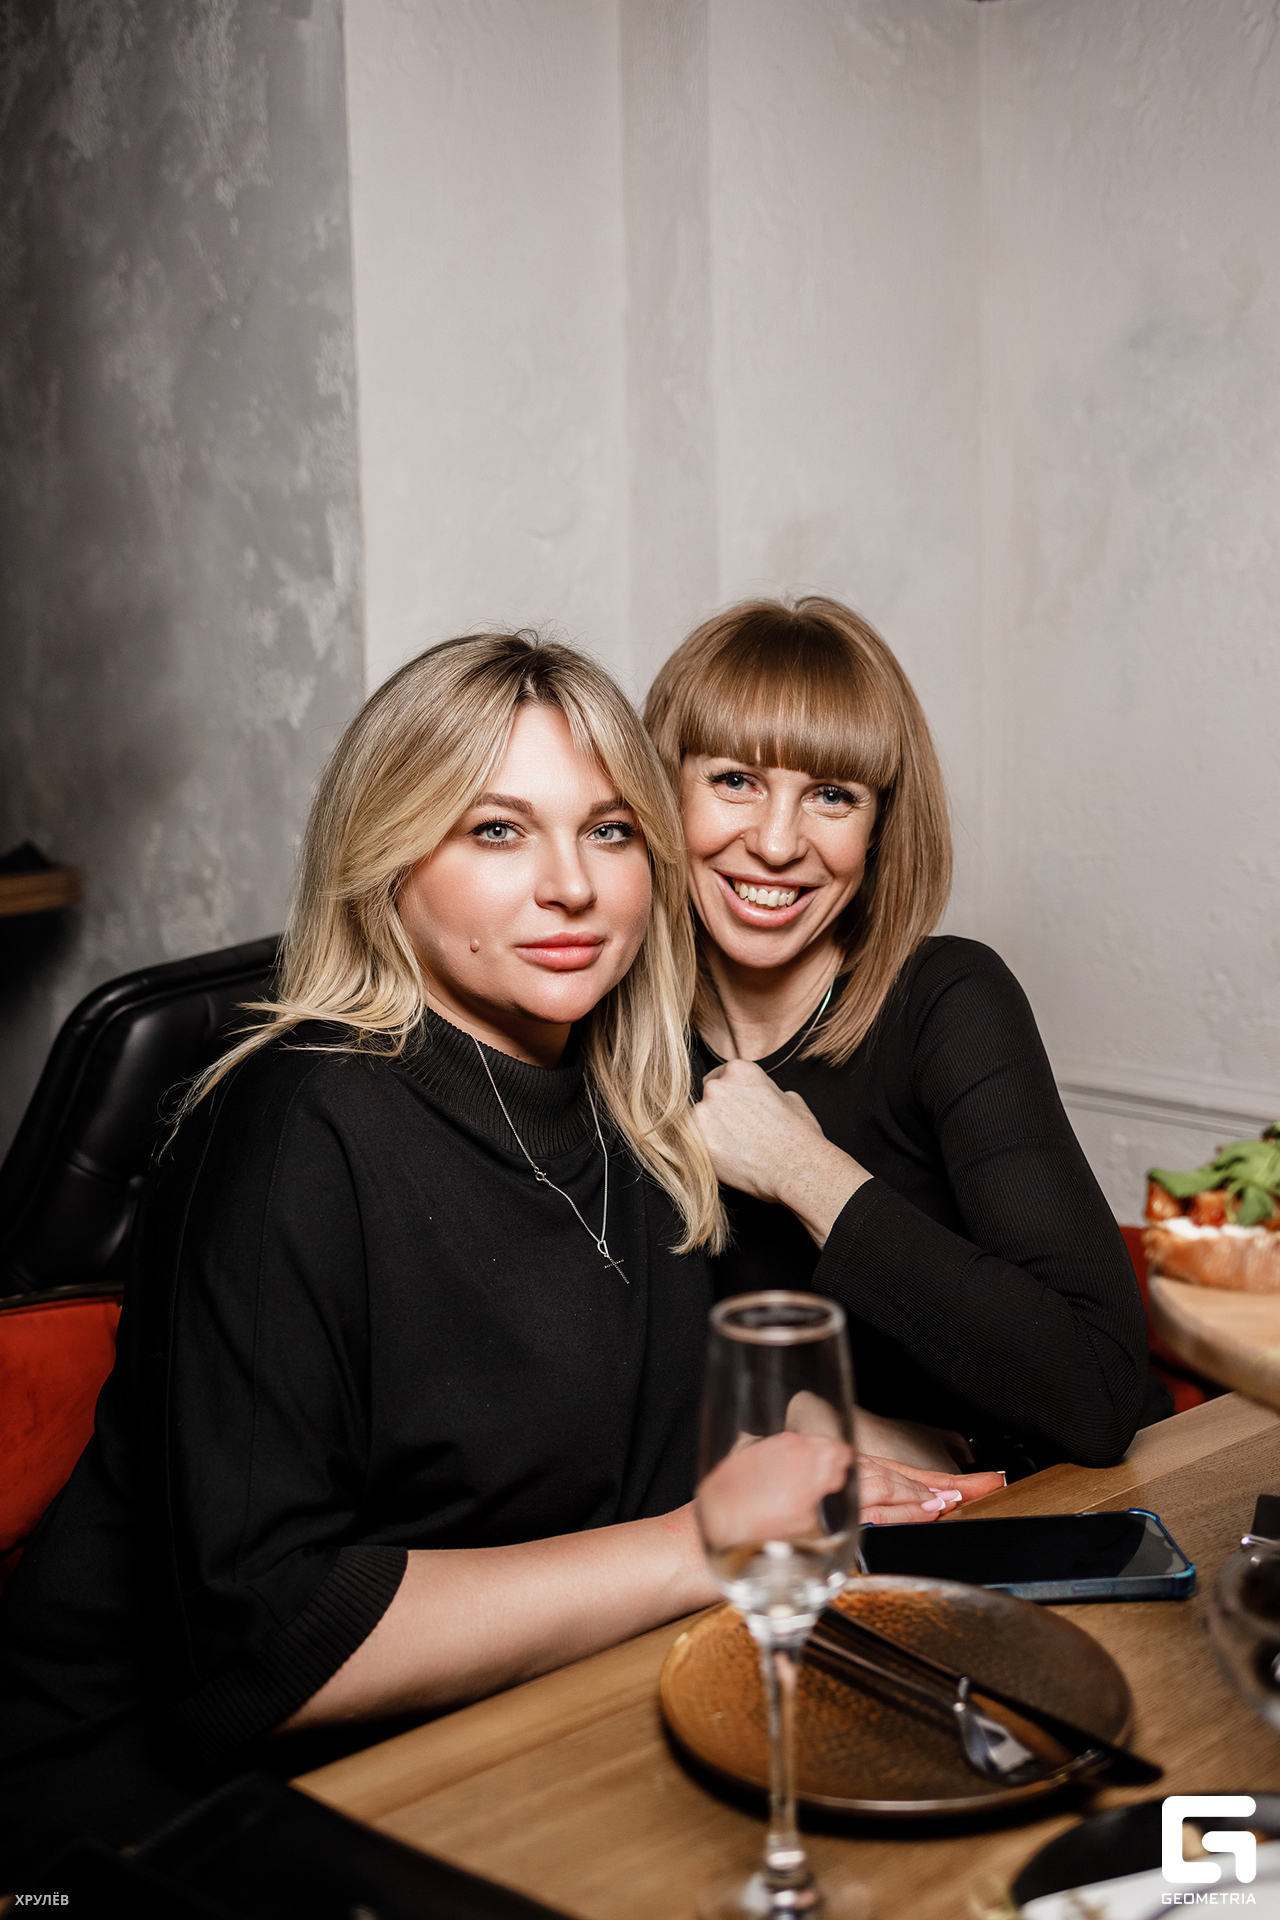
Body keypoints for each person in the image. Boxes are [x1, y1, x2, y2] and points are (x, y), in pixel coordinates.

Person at [0, 632, 1001, 1882]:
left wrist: (843, 1464)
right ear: (385, 859)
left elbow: (616, 1423)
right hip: (133, 1831)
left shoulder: (632, 1103)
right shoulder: (293, 1125)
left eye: (610, 831)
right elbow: (262, 1648)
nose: (571, 886)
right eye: (495, 831)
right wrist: (705, 1542)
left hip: (496, 1752)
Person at [645, 597, 1165, 1478]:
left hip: (1049, 1504)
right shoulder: (618, 1038)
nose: (777, 843)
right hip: (812, 1519)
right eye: (735, 780)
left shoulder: (950, 1000)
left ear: (880, 825)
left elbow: (1099, 1393)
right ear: (664, 791)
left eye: (832, 795)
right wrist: (804, 1410)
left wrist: (801, 1170)